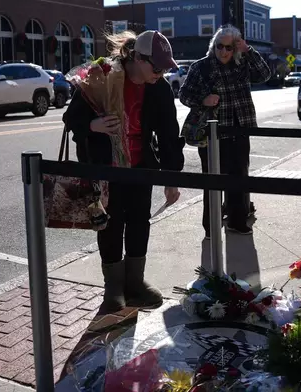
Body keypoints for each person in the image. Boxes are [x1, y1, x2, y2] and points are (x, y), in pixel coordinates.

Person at [63, 30, 185, 313]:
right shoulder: (102, 75)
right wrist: (93, 126)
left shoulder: (160, 87)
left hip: (140, 165)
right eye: (157, 66)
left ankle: (135, 283)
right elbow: (71, 118)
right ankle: (113, 288)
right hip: (106, 166)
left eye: (166, 67)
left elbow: (169, 135)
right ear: (137, 58)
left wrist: (172, 179)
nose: (161, 72)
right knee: (110, 224)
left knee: (140, 221)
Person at [179, 25, 271, 239]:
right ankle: (211, 227)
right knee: (212, 183)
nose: (224, 51)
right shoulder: (201, 67)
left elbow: (265, 74)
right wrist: (203, 100)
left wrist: (248, 50)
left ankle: (237, 221)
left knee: (238, 179)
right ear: (214, 46)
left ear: (235, 48)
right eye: (220, 46)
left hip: (239, 132)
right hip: (212, 135)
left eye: (229, 47)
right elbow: (184, 95)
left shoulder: (242, 63)